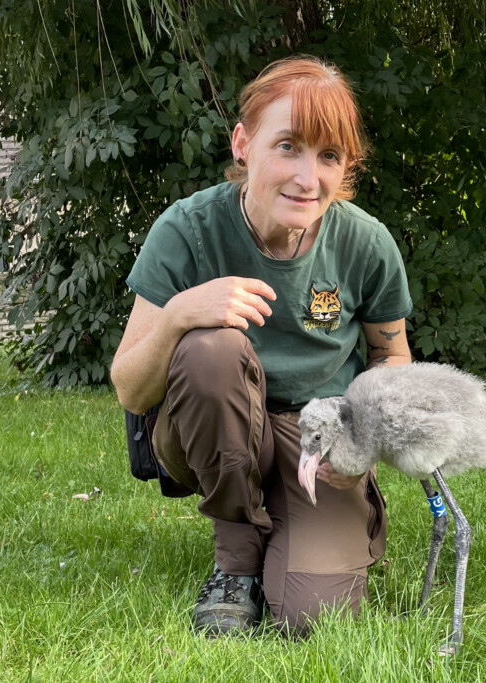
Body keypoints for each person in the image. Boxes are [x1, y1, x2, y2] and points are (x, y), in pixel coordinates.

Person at [110, 55, 412, 637]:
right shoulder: (186, 230)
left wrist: (365, 435)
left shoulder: (366, 244)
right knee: (209, 349)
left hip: (316, 440)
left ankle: (308, 524)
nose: (308, 177)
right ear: (243, 143)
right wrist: (176, 318)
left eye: (328, 156)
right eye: (289, 147)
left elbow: (391, 356)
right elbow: (130, 386)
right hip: (212, 421)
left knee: (311, 618)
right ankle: (236, 561)